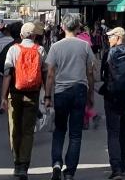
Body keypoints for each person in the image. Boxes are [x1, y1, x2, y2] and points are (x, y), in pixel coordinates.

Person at [45, 13, 98, 180]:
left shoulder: (55, 47)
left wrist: (47, 96)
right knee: (75, 134)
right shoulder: (85, 46)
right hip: (79, 90)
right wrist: (90, 94)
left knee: (59, 130)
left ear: (62, 27)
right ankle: (69, 172)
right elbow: (90, 72)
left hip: (61, 92)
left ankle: (56, 163)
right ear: (77, 28)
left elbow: (50, 74)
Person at [2, 20, 47, 180]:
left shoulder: (13, 49)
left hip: (14, 94)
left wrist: (3, 96)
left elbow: (7, 74)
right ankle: (24, 166)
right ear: (34, 36)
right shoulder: (40, 50)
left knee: (14, 129)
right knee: (28, 131)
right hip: (33, 94)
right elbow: (45, 73)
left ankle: (16, 162)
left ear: (21, 35)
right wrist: (47, 94)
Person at [101, 27, 125, 180]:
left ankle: (116, 169)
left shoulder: (108, 54)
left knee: (113, 132)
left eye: (111, 37)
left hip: (112, 96)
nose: (108, 39)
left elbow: (103, 75)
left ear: (118, 37)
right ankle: (123, 165)